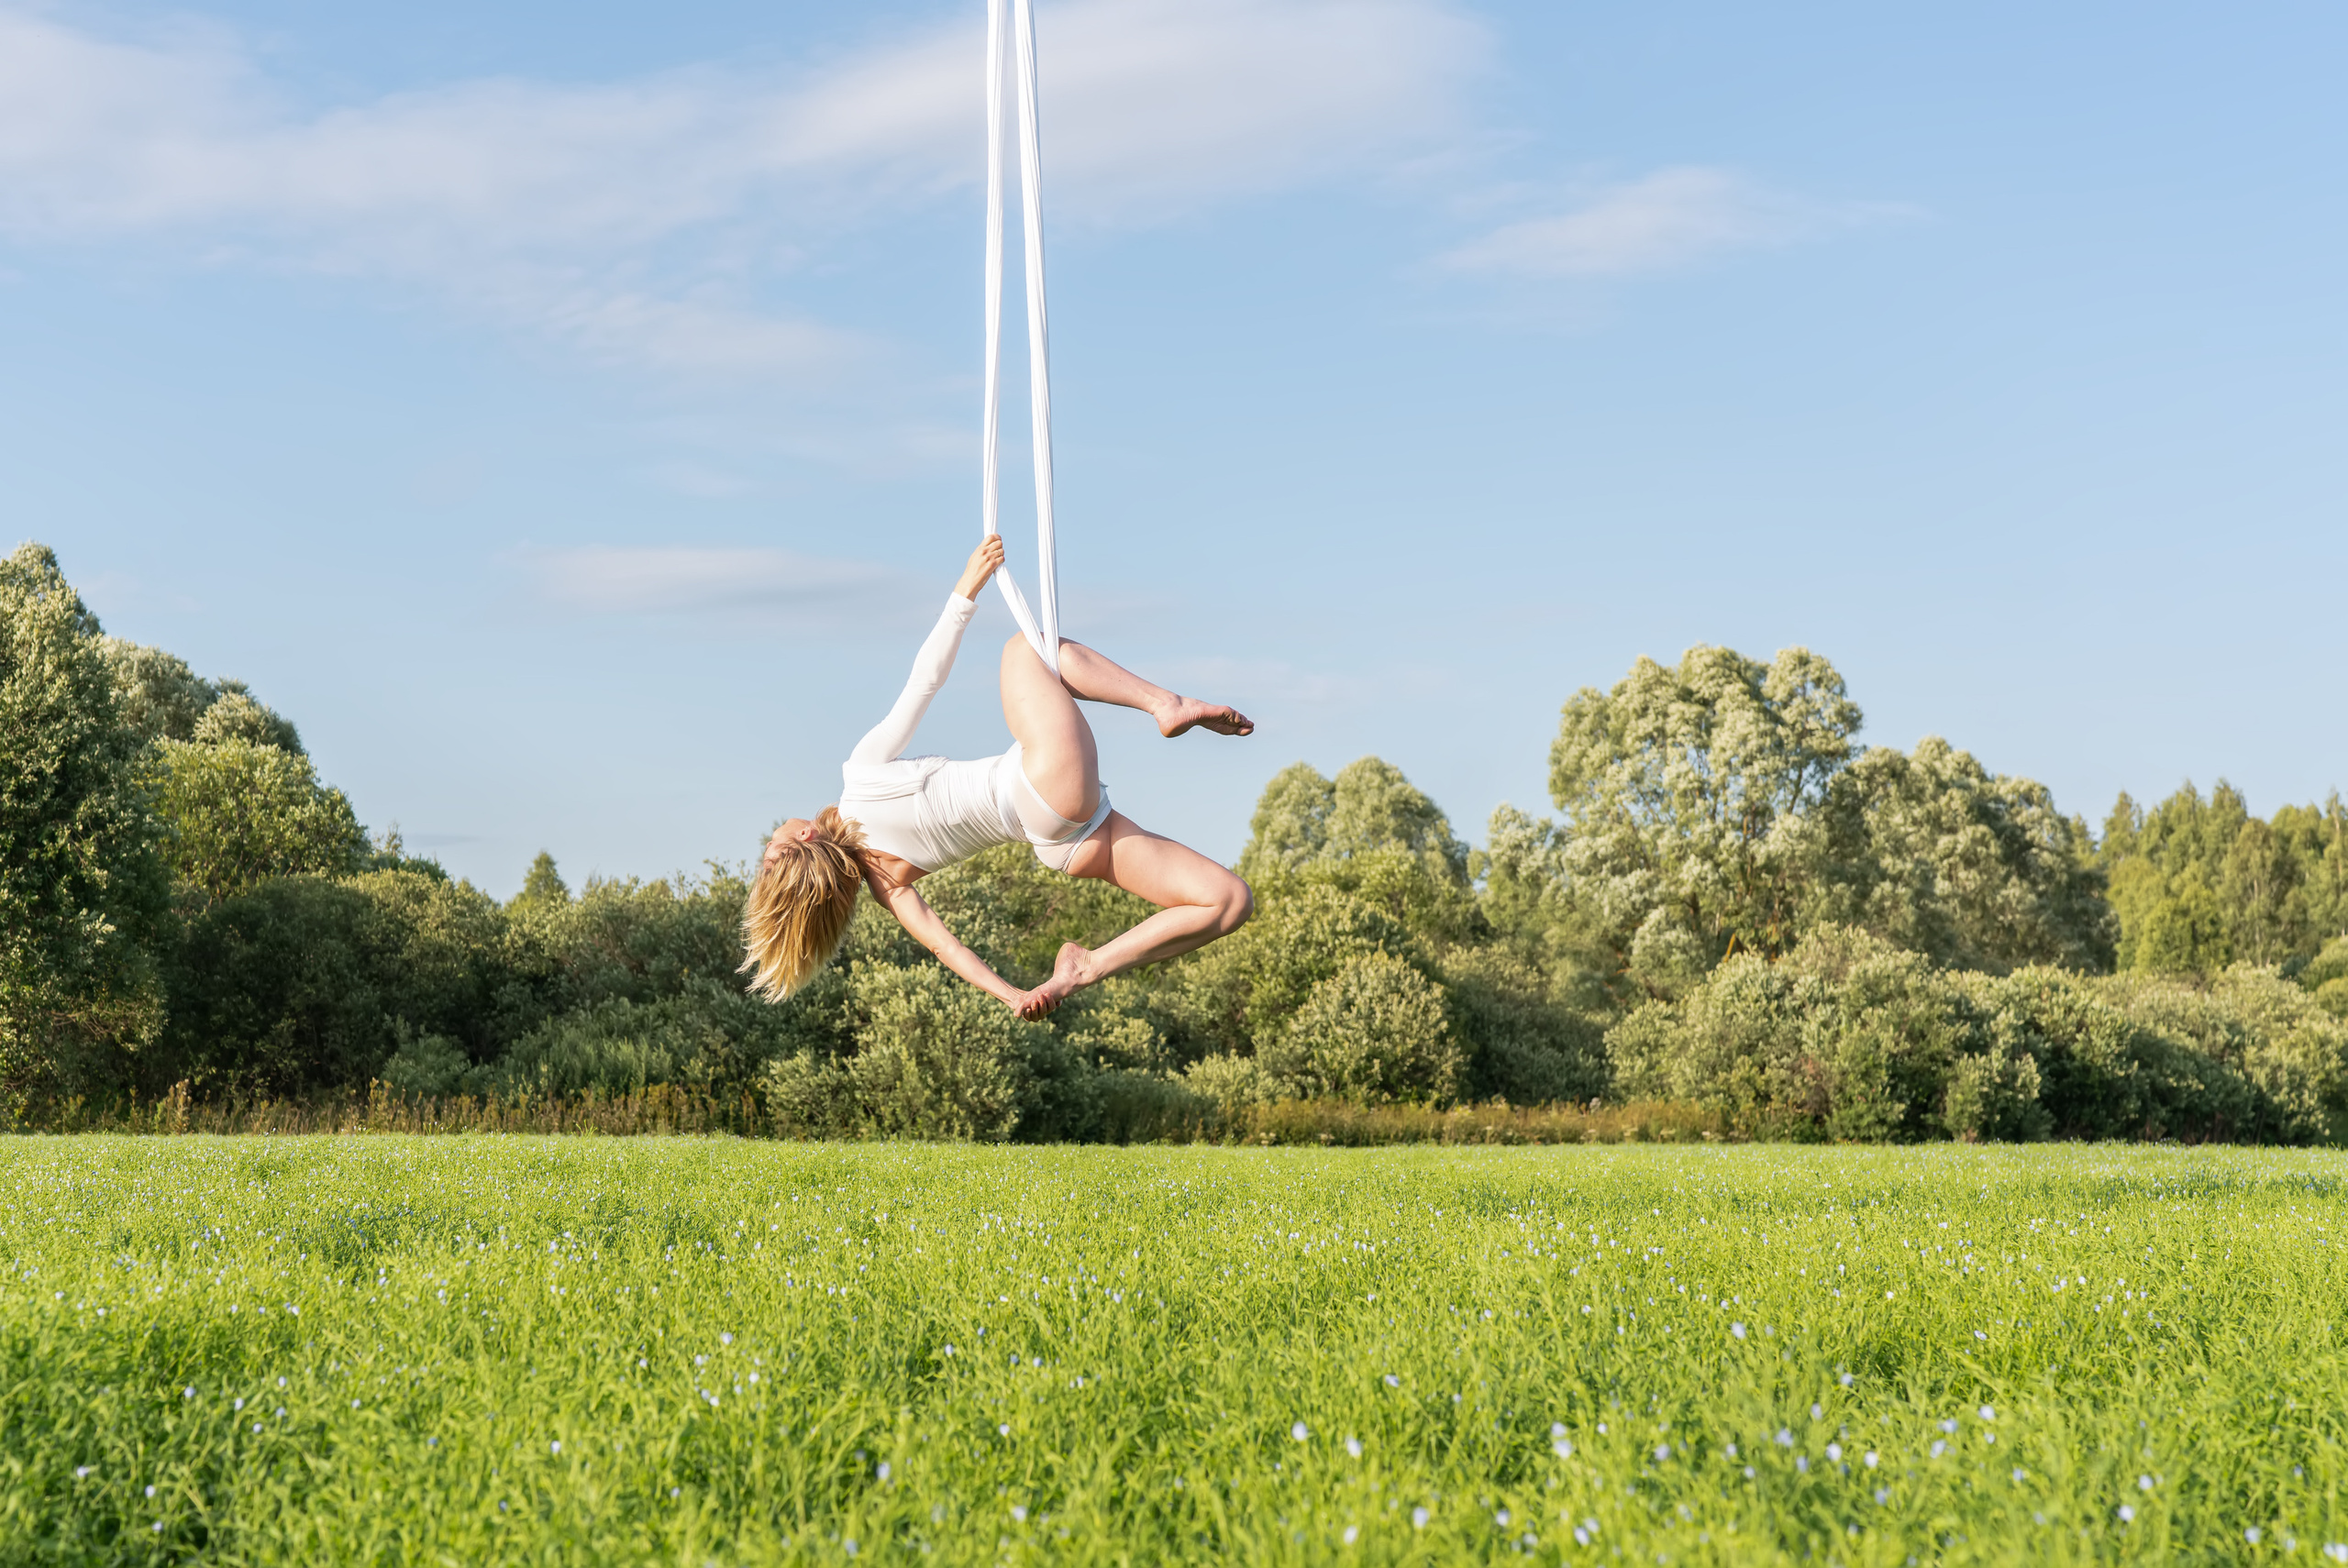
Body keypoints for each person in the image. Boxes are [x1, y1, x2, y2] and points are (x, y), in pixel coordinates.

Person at [742, 535, 1254, 1020]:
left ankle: (1087, 967)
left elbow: (948, 948)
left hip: (1062, 843)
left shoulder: (885, 884)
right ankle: (1167, 704)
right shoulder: (861, 779)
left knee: (1228, 901)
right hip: (1040, 784)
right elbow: (924, 683)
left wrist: (1013, 995)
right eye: (773, 844)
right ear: (802, 837)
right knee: (1025, 650)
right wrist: (966, 590)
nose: (775, 831)